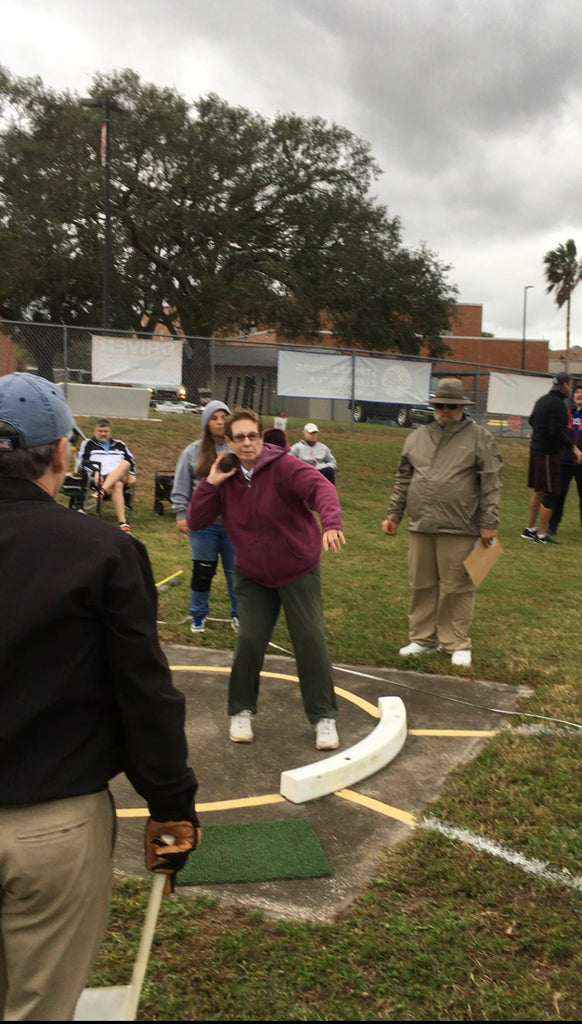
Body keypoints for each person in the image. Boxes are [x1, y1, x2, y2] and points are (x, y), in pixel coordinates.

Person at [0, 372, 200, 1021]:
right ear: (63, 454)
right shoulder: (104, 551)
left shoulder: (105, 551)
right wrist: (170, 804)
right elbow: (144, 692)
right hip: (51, 826)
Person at [187, 407, 345, 750]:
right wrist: (211, 483)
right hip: (253, 574)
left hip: (296, 569)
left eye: (253, 436)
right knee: (249, 641)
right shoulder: (224, 477)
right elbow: (197, 520)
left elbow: (322, 489)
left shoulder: (284, 467)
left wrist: (331, 523)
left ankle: (324, 717)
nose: (247, 443)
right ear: (227, 442)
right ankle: (241, 710)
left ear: (261, 437)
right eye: (239, 437)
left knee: (310, 639)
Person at [381, 377, 503, 669]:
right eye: (440, 405)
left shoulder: (480, 438)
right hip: (420, 523)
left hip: (460, 525)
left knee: (457, 585)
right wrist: (393, 515)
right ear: (434, 407)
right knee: (421, 583)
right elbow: (403, 479)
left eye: (451, 406)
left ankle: (456, 642)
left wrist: (489, 522)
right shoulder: (416, 437)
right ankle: (423, 638)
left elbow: (491, 483)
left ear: (461, 407)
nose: (445, 410)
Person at [171, 399, 239, 633]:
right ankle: (198, 615)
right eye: (214, 418)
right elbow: (181, 485)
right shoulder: (191, 452)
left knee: (236, 572)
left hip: (234, 525)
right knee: (203, 571)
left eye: (224, 417)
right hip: (203, 525)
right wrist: (181, 514)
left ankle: (238, 614)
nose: (220, 423)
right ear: (206, 422)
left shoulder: (239, 449)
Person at [521, 371, 582, 545]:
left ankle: (529, 529)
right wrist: (574, 448)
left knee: (539, 490)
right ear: (563, 385)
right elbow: (557, 432)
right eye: (570, 385)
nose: (571, 388)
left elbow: (533, 420)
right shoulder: (558, 405)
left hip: (537, 450)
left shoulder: (542, 400)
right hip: (548, 454)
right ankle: (541, 534)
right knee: (552, 492)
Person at [76, 417, 136, 531]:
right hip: (101, 479)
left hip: (122, 476)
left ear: (110, 432)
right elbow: (82, 463)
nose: (103, 434)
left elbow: (131, 460)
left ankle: (101, 492)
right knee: (117, 484)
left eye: (106, 431)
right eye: (100, 431)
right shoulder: (88, 444)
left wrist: (132, 474)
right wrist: (95, 472)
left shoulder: (120, 444)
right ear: (95, 431)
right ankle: (123, 522)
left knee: (124, 463)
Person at [548, 382, 582, 536]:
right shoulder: (567, 413)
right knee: (559, 495)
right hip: (566, 460)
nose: (579, 395)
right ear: (572, 396)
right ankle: (552, 527)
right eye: (577, 392)